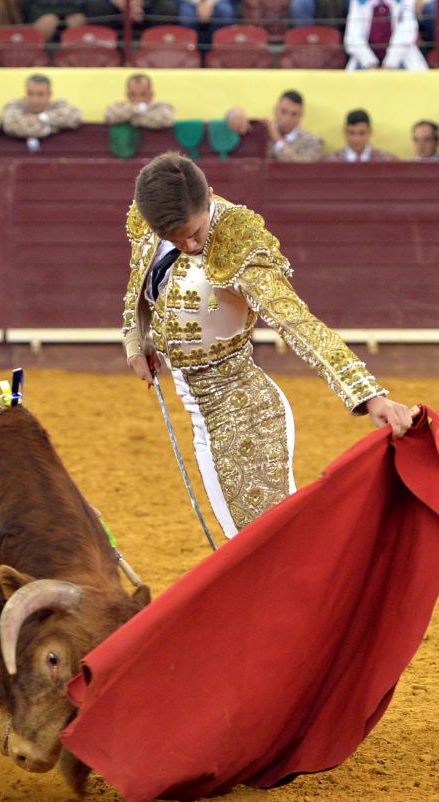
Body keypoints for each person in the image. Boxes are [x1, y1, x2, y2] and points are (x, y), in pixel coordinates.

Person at [122, 152, 414, 538]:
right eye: (175, 239)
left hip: (245, 413)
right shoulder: (151, 220)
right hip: (200, 413)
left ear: (209, 196)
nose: (190, 245)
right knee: (241, 546)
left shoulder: (239, 243)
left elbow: (297, 323)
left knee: (269, 549)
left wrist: (369, 395)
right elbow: (138, 281)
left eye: (195, 232)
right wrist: (136, 340)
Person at [227, 90, 324, 162]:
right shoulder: (261, 130)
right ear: (275, 110)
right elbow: (235, 123)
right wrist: (234, 113)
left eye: (293, 114)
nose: (287, 118)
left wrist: (276, 137)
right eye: (283, 111)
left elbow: (300, 168)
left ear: (301, 116)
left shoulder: (313, 141)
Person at [1, 73, 82, 150]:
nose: (35, 99)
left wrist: (41, 117)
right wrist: (51, 127)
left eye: (40, 94)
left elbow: (75, 116)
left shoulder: (57, 104)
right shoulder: (15, 105)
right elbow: (11, 126)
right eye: (30, 94)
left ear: (49, 95)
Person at [344, 0, 428, 70]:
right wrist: (370, 63)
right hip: (365, 63)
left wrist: (388, 65)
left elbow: (406, 34)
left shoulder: (404, 2)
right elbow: (352, 36)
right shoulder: (358, 2)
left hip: (400, 61)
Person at [104, 73, 175, 130]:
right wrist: (135, 109)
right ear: (127, 95)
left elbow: (166, 120)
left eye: (143, 94)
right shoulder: (120, 106)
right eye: (133, 95)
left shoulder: (162, 106)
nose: (138, 99)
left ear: (151, 94)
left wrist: (134, 118)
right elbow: (109, 116)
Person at [324, 109, 398, 161]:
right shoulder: (331, 160)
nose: (356, 139)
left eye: (361, 133)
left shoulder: (386, 160)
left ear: (370, 132)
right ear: (345, 132)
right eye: (351, 133)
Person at [21, 0, 86, 40]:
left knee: (78, 19)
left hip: (72, 16)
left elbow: (82, 6)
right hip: (42, 17)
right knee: (48, 21)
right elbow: (30, 8)